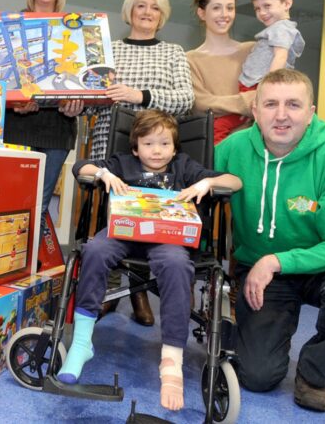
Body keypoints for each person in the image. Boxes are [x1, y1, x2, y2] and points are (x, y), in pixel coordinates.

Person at [58, 110, 242, 412]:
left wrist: (204, 185)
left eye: (165, 144)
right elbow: (82, 167)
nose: (157, 151)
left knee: (177, 265)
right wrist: (104, 174)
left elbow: (234, 181)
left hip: (167, 238)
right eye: (148, 144)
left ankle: (172, 361)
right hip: (123, 233)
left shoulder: (183, 167)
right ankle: (81, 343)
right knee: (94, 251)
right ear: (135, 148)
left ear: (174, 147)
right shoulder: (122, 163)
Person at [215, 69, 325, 412]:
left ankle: (315, 373)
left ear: (311, 111)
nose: (282, 115)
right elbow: (186, 173)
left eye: (293, 104)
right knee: (257, 377)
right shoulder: (233, 149)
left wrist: (276, 261)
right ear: (255, 111)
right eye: (270, 104)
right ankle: (253, 336)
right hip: (259, 273)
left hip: (322, 268)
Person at [89, 0, 195, 326]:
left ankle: (137, 293)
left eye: (154, 7)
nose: (147, 12)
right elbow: (89, 95)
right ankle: (110, 289)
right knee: (110, 222)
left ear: (162, 16)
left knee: (148, 221)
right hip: (111, 144)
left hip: (158, 149)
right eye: (140, 6)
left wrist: (140, 95)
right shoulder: (109, 50)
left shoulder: (174, 52)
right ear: (129, 12)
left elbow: (185, 99)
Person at [3, 0, 85, 244]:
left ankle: (27, 276)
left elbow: (81, 81)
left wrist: (78, 106)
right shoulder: (11, 25)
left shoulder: (74, 28)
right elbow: (1, 80)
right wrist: (14, 103)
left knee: (37, 209)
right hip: (15, 127)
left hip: (56, 131)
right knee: (8, 205)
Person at [186, 0, 255, 144]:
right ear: (202, 13)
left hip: (254, 143)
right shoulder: (189, 59)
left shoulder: (252, 50)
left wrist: (219, 105)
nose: (224, 14)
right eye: (216, 8)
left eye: (230, 8)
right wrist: (247, 103)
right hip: (214, 145)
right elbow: (201, 105)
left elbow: (269, 95)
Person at [239, 0, 305, 94]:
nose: (262, 12)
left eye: (267, 6)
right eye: (257, 9)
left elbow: (280, 56)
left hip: (260, 84)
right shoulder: (278, 29)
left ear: (287, 3)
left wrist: (269, 85)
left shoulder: (281, 28)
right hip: (253, 83)